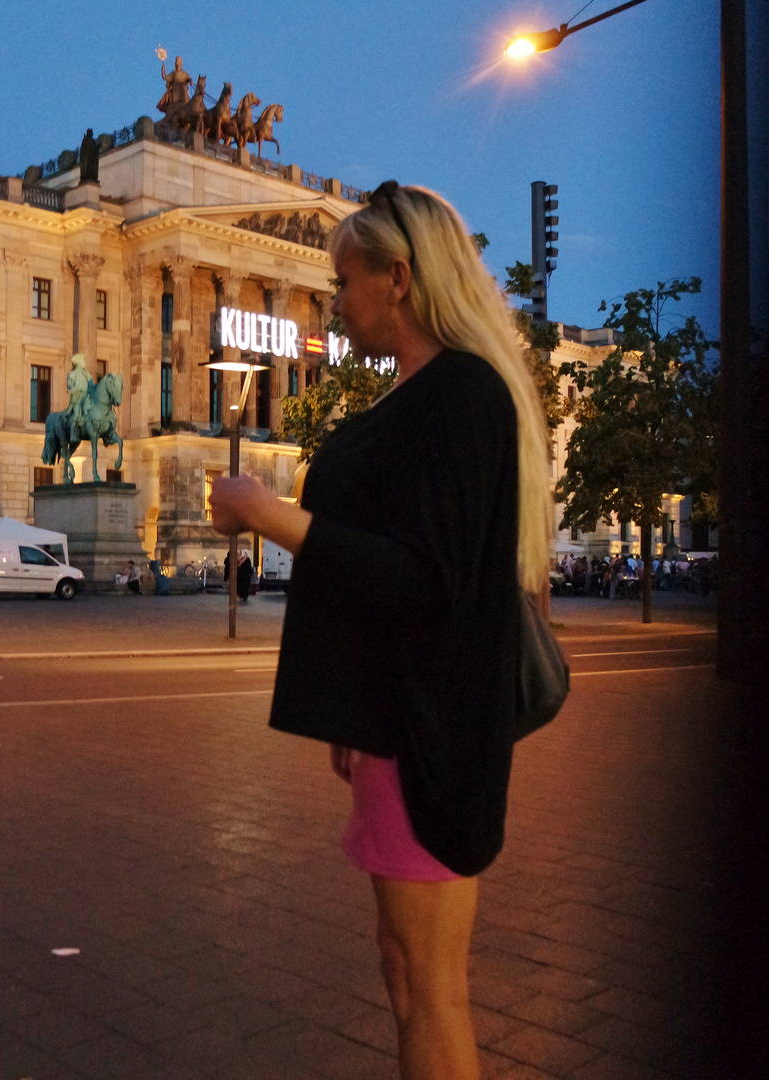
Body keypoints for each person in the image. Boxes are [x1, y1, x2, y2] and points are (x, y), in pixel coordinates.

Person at [210, 182, 552, 1080]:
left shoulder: (464, 394)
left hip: (435, 731)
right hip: (394, 725)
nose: (333, 301)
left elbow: (424, 580)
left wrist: (267, 514)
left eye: (343, 281)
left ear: (397, 279)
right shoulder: (419, 395)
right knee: (403, 972)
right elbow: (388, 560)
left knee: (430, 984)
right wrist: (349, 714)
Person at [65, 353, 91, 442]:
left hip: (87, 398)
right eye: (83, 360)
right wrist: (74, 389)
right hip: (77, 399)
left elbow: (92, 384)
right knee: (76, 415)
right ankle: (72, 434)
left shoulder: (87, 374)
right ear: (78, 362)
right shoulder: (72, 374)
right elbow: (69, 385)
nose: (84, 362)